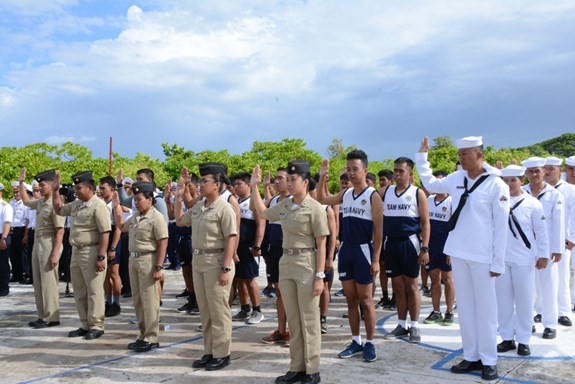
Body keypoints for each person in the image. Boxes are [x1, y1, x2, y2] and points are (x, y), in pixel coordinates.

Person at [415, 136, 509, 381]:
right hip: (459, 252)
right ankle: (471, 355)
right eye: (460, 153)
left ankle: (489, 360)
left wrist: (498, 261)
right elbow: (430, 184)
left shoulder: (496, 184)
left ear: (479, 154)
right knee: (465, 309)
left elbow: (501, 227)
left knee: (486, 310)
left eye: (466, 153)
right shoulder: (457, 178)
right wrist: (422, 158)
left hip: (483, 256)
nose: (461, 158)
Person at [251, 160, 328, 384]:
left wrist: (320, 276)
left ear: (305, 182)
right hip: (286, 261)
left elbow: (321, 243)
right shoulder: (285, 205)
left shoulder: (315, 208)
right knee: (294, 319)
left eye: (294, 180)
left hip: (307, 262)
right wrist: (255, 187)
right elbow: (263, 213)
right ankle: (296, 367)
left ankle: (312, 369)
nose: (290, 183)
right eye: (289, 179)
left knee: (309, 319)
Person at [317, 150, 383, 363]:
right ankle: (356, 340)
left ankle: (370, 343)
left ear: (365, 170)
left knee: (366, 300)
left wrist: (375, 259)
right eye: (349, 169)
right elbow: (322, 198)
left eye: (356, 169)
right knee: (351, 300)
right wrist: (322, 177)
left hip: (364, 250)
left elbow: (379, 231)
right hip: (347, 250)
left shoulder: (373, 196)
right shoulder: (346, 194)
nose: (352, 173)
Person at [174, 162, 237, 371]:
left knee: (219, 311)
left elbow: (231, 238)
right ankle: (209, 351)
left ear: (217, 184)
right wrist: (179, 194)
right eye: (200, 181)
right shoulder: (199, 206)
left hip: (217, 262)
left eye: (204, 181)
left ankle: (222, 353)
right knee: (206, 311)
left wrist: (226, 268)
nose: (200, 185)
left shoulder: (224, 207)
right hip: (199, 262)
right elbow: (180, 221)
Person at [496, 165, 549, 357]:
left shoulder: (532, 203)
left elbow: (542, 231)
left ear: (522, 180)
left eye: (513, 180)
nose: (509, 184)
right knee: (503, 301)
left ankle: (524, 340)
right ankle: (507, 337)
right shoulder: (497, 201)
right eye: (506, 180)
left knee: (525, 300)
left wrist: (543, 254)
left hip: (523, 259)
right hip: (501, 258)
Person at [52, 170, 111, 340]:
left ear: (90, 188)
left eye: (79, 188)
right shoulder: (77, 204)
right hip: (76, 251)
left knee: (94, 290)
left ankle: (97, 325)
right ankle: (85, 324)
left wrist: (101, 256)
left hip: (92, 251)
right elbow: (59, 209)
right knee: (79, 290)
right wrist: (55, 191)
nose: (76, 191)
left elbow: (105, 232)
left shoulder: (98, 205)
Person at [113, 181, 168, 352]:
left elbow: (163, 243)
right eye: (135, 200)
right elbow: (122, 227)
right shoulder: (136, 217)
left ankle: (152, 337)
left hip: (148, 260)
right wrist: (116, 208)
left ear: (150, 199)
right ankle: (143, 334)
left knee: (150, 300)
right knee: (138, 300)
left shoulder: (156, 217)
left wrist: (158, 267)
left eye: (139, 199)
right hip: (134, 260)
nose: (136, 203)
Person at [381, 157, 430, 343]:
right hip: (391, 243)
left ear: (410, 174)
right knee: (398, 287)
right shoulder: (386, 192)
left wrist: (424, 248)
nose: (397, 174)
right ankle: (402, 324)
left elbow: (425, 223)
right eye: (395, 170)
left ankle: (415, 326)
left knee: (411, 286)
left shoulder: (418, 193)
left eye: (401, 171)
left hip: (410, 243)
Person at [521, 157, 564, 340]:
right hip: (524, 248)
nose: (534, 175)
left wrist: (557, 248)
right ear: (525, 174)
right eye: (530, 171)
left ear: (544, 171)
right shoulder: (521, 193)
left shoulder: (554, 195)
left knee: (548, 287)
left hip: (545, 247)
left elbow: (558, 224)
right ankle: (527, 322)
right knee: (526, 288)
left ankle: (550, 324)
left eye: (537, 171)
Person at [19, 168, 65, 328]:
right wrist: (21, 182)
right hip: (38, 242)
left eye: (43, 185)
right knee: (38, 281)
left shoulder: (55, 203)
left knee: (48, 282)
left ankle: (52, 316)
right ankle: (42, 315)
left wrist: (55, 254)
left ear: (52, 185)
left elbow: (60, 230)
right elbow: (26, 202)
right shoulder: (41, 202)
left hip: (49, 242)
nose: (40, 188)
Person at [261, 167, 291, 345]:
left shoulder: (293, 201)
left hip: (288, 250)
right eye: (275, 178)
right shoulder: (273, 200)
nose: (276, 181)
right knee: (280, 292)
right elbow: (254, 207)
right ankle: (281, 330)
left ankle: (294, 331)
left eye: (281, 178)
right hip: (274, 250)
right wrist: (261, 187)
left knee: (290, 293)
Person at [231, 172, 266, 324]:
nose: (236, 187)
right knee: (239, 278)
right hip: (236, 246)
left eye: (239, 184)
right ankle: (245, 308)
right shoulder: (235, 201)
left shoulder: (253, 202)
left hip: (248, 246)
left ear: (247, 185)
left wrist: (257, 245)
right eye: (235, 184)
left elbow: (261, 224)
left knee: (250, 279)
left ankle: (257, 310)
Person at [544, 157, 575, 327]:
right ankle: (541, 310)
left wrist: (572, 238)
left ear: (559, 169)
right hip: (541, 241)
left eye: (552, 168)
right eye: (545, 168)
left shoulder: (569, 190)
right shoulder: (538, 189)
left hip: (562, 241)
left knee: (562, 277)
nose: (548, 171)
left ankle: (563, 312)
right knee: (539, 280)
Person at [423, 170, 455, 326]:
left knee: (447, 279)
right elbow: (423, 223)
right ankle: (436, 311)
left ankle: (449, 312)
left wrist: (451, 249)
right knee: (434, 278)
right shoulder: (428, 200)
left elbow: (455, 227)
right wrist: (424, 247)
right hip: (431, 245)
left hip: (446, 246)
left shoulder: (452, 201)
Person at [99, 176, 123, 317]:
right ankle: (108, 302)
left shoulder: (115, 205)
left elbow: (119, 228)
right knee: (105, 274)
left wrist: (113, 247)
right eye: (100, 188)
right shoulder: (101, 203)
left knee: (114, 273)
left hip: (113, 238)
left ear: (112, 190)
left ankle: (117, 303)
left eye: (104, 188)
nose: (101, 191)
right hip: (104, 237)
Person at [375, 169, 394, 309]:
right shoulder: (376, 196)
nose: (381, 182)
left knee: (392, 268)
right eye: (380, 180)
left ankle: (396, 296)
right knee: (381, 266)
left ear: (390, 181)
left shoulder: (393, 195)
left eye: (384, 180)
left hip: (391, 236)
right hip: (380, 236)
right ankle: (385, 295)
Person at [9, 181, 30, 284]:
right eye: (14, 192)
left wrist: (26, 235)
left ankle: (25, 274)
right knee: (13, 253)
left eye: (18, 192)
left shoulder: (25, 204)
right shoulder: (11, 203)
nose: (16, 194)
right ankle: (16, 274)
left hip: (21, 230)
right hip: (12, 229)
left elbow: (27, 220)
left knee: (23, 254)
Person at [0, 183, 14, 297]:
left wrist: (3, 238)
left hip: (2, 235)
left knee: (3, 263)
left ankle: (4, 287)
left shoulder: (5, 206)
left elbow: (7, 223)